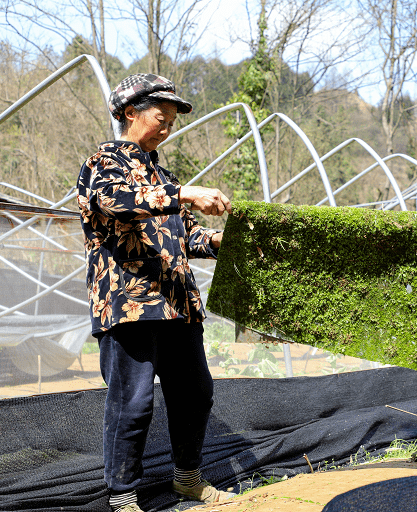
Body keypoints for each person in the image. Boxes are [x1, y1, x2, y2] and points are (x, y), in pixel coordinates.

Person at [77, 73, 234, 512]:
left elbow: (185, 238)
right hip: (130, 303)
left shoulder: (162, 175)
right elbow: (117, 202)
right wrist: (182, 193)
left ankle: (187, 479)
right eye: (160, 116)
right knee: (133, 404)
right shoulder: (103, 162)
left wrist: (219, 240)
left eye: (172, 120)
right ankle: (123, 496)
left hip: (178, 305)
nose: (168, 125)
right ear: (130, 112)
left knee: (195, 392)